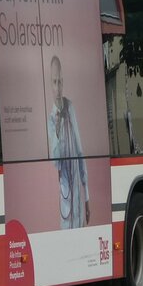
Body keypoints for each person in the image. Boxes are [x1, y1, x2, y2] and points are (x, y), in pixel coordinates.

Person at [46, 55, 89, 229]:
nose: (57, 88)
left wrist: (87, 197)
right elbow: (56, 163)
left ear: (63, 82)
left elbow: (80, 152)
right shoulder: (51, 120)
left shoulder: (70, 107)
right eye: (54, 82)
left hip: (78, 197)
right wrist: (56, 131)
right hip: (65, 199)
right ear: (50, 85)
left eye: (60, 82)